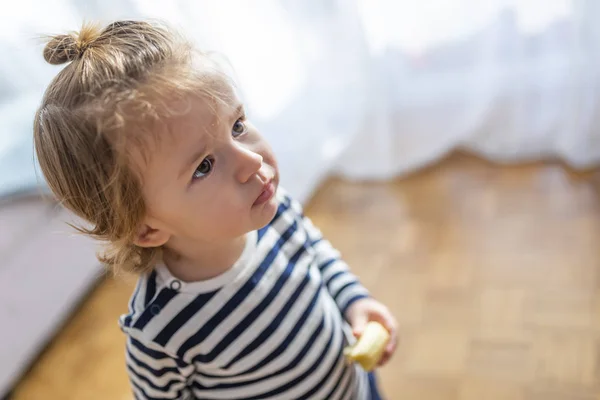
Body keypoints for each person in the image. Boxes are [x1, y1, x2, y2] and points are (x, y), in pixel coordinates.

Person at [33, 20, 398, 399]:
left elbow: (318, 255)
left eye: (237, 125)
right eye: (204, 166)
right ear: (146, 229)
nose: (251, 161)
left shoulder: (274, 212)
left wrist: (354, 301)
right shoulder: (161, 333)